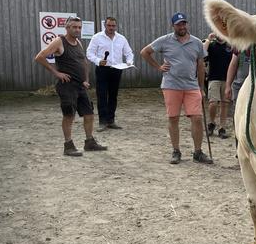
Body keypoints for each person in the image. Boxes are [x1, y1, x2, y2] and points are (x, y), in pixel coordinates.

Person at [140, 12, 212, 165]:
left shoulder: (197, 42)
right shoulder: (165, 40)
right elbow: (145, 52)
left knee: (197, 118)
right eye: (179, 24)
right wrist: (158, 67)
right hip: (171, 85)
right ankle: (176, 150)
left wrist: (201, 87)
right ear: (173, 26)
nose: (182, 26)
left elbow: (200, 65)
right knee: (173, 118)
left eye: (184, 23)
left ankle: (198, 152)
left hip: (191, 86)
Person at [34, 16, 107, 157]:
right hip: (67, 86)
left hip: (80, 85)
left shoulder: (78, 42)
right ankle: (68, 146)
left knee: (89, 113)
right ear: (67, 28)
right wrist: (57, 73)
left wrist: (85, 79)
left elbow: (84, 62)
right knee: (69, 115)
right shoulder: (59, 41)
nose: (77, 29)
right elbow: (39, 57)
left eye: (79, 27)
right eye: (74, 27)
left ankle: (89, 142)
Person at [86, 16, 134, 131]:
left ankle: (111, 120)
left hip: (117, 69)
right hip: (103, 69)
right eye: (109, 25)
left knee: (113, 96)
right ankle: (102, 122)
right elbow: (89, 53)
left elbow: (129, 53)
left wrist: (129, 62)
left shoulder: (121, 38)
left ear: (116, 26)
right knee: (102, 95)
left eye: (113, 26)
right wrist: (98, 61)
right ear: (105, 25)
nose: (111, 28)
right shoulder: (97, 37)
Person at [204, 33, 233, 138]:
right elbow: (202, 54)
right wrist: (208, 40)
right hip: (213, 78)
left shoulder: (230, 46)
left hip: (227, 79)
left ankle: (222, 128)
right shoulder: (211, 45)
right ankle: (211, 123)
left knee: (225, 104)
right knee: (213, 103)